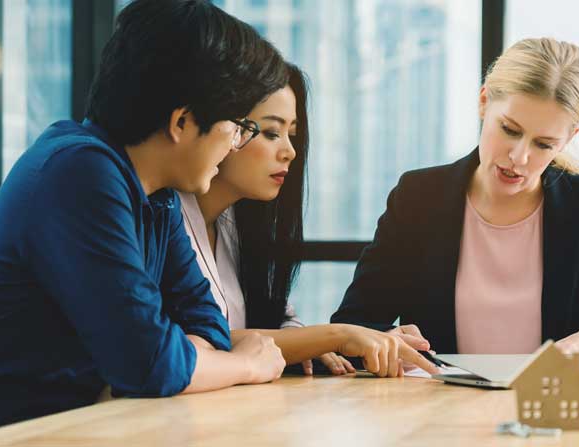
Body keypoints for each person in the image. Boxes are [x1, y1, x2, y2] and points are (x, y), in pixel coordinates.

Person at [0, 0, 290, 430]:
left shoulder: (157, 192)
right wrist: (245, 366)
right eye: (237, 126)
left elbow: (206, 322)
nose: (235, 144)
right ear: (182, 122)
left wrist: (176, 364)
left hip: (87, 426)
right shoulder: (78, 172)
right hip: (17, 432)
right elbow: (149, 364)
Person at [331, 37, 579, 367]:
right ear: (484, 101)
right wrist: (384, 342)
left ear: (569, 138)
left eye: (543, 144)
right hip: (437, 419)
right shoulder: (418, 199)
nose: (519, 157)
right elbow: (349, 332)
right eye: (510, 130)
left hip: (554, 430)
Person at [179, 63, 439, 376]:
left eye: (292, 135)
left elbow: (279, 320)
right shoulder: (164, 219)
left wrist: (356, 343)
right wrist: (332, 337)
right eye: (272, 133)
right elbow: (190, 343)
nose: (290, 152)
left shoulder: (235, 226)